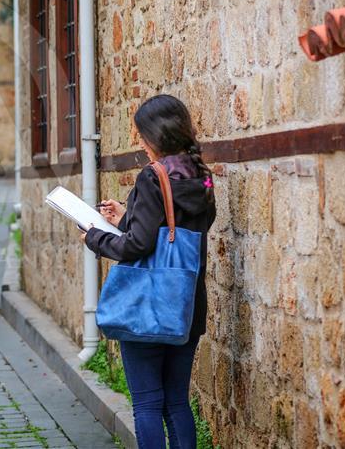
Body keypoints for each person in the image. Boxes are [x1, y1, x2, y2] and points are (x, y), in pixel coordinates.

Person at [82, 94, 216, 449]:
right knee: (176, 402)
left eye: (142, 135)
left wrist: (95, 236)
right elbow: (176, 233)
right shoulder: (202, 176)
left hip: (147, 306)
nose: (140, 143)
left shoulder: (152, 177)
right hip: (186, 305)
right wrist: (125, 217)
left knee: (147, 403)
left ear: (156, 136)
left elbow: (138, 246)